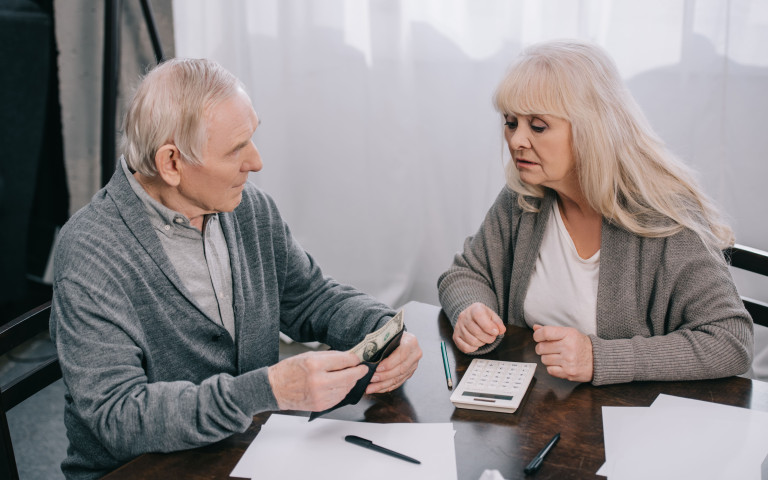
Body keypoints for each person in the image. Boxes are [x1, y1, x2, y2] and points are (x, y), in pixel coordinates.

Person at [49, 58, 422, 479]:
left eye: (252, 138)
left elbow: (310, 298)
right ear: (171, 163)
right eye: (236, 149)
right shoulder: (92, 251)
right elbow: (119, 417)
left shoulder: (247, 208)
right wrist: (267, 391)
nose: (256, 162)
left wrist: (383, 328)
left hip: (245, 450)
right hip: (142, 470)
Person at [437, 39, 753, 386]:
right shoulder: (523, 199)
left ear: (591, 128)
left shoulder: (665, 217)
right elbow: (465, 273)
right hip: (543, 407)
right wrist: (470, 309)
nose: (516, 141)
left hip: (634, 414)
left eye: (538, 126)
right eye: (511, 123)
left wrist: (599, 358)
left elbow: (731, 341)